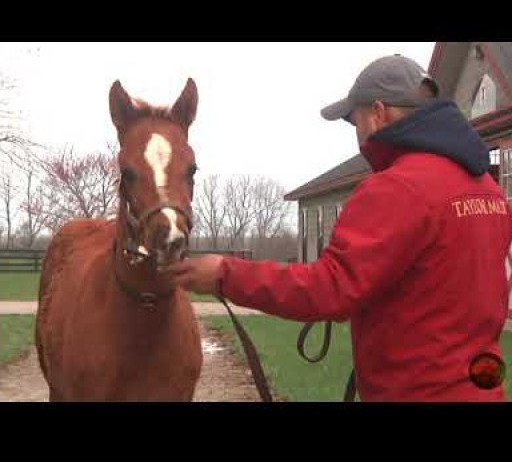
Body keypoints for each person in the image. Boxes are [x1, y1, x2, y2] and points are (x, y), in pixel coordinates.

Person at [163, 55, 512, 402]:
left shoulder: (398, 188)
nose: (356, 132)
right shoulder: (487, 189)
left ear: (377, 113)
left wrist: (225, 274)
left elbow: (329, 289)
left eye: (353, 119)